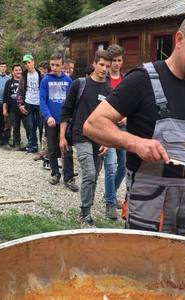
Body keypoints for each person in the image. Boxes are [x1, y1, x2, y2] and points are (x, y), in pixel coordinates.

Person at [83, 11, 185, 235]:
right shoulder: (142, 80)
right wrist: (135, 143)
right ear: (179, 39)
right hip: (148, 210)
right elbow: (94, 124)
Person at [61, 50, 112, 228]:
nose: (104, 69)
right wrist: (62, 137)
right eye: (101, 65)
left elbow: (110, 119)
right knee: (89, 173)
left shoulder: (109, 89)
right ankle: (84, 215)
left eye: (107, 66)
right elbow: (66, 111)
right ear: (94, 63)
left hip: (99, 138)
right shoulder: (79, 84)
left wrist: (107, 142)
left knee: (94, 177)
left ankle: (86, 210)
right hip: (80, 135)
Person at [40, 53, 78, 192]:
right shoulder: (45, 80)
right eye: (52, 65)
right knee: (52, 148)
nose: (54, 68)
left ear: (63, 65)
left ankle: (69, 177)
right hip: (51, 121)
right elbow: (42, 100)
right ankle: (55, 173)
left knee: (66, 149)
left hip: (65, 122)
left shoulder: (68, 81)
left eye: (57, 65)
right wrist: (47, 116)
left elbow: (72, 101)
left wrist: (71, 118)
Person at [103, 44, 127, 220]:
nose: (117, 64)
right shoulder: (104, 80)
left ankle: (111, 193)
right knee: (110, 166)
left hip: (124, 127)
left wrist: (127, 116)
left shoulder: (126, 79)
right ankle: (110, 203)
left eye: (120, 60)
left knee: (123, 165)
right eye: (114, 61)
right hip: (107, 127)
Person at [3, 64, 28, 150]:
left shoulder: (25, 81)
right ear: (13, 72)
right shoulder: (9, 82)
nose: (18, 72)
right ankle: (16, 144)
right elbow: (5, 97)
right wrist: (4, 109)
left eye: (20, 70)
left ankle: (31, 144)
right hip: (13, 109)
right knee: (15, 127)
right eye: (16, 70)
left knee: (28, 127)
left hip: (25, 108)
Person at [21, 54, 42, 153]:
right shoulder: (24, 75)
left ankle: (43, 146)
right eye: (25, 63)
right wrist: (20, 104)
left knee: (41, 125)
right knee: (30, 125)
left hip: (39, 103)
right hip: (28, 102)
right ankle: (33, 146)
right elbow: (20, 90)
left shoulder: (40, 73)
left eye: (28, 62)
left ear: (33, 62)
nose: (27, 65)